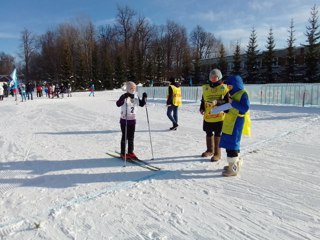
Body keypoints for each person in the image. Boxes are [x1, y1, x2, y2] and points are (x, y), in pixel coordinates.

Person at [219, 75, 251, 177]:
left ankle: (233, 170)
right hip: (229, 122)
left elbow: (245, 108)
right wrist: (220, 105)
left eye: (230, 86)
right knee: (229, 144)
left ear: (236, 85)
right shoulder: (230, 93)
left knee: (232, 145)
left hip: (237, 122)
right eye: (228, 86)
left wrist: (233, 103)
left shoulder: (243, 94)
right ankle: (233, 164)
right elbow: (227, 104)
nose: (229, 88)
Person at [199, 69, 230, 161]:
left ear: (219, 77)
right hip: (208, 116)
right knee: (208, 132)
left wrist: (217, 102)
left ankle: (217, 153)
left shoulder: (224, 88)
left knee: (217, 133)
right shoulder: (206, 88)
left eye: (215, 77)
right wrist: (202, 108)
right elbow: (203, 100)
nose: (213, 78)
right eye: (211, 77)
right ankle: (210, 150)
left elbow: (227, 101)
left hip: (219, 116)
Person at [116, 81, 147, 159]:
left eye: (134, 88)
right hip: (124, 120)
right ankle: (123, 153)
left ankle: (130, 152)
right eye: (131, 88)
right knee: (125, 136)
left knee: (131, 137)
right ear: (128, 88)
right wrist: (123, 97)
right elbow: (118, 104)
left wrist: (144, 97)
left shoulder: (136, 96)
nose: (133, 89)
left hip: (132, 120)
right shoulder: (124, 96)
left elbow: (142, 104)